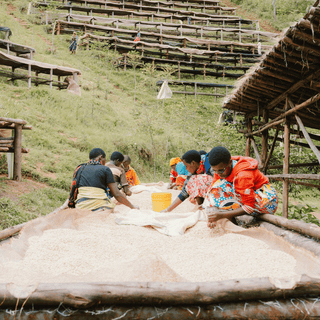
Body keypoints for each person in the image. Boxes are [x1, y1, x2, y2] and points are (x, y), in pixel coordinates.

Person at [204, 146, 278, 228]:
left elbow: (249, 207)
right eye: (214, 170)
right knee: (216, 189)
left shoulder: (243, 176)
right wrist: (207, 204)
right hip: (254, 195)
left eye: (221, 170)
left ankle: (235, 226)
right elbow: (213, 186)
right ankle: (231, 219)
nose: (218, 173)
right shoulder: (221, 167)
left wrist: (222, 214)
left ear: (229, 162)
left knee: (220, 188)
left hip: (267, 202)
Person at [70, 148, 138, 212]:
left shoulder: (80, 168)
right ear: (101, 157)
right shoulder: (105, 169)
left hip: (81, 205)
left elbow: (74, 190)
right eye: (105, 159)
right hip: (100, 206)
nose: (105, 161)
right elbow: (117, 194)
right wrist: (132, 206)